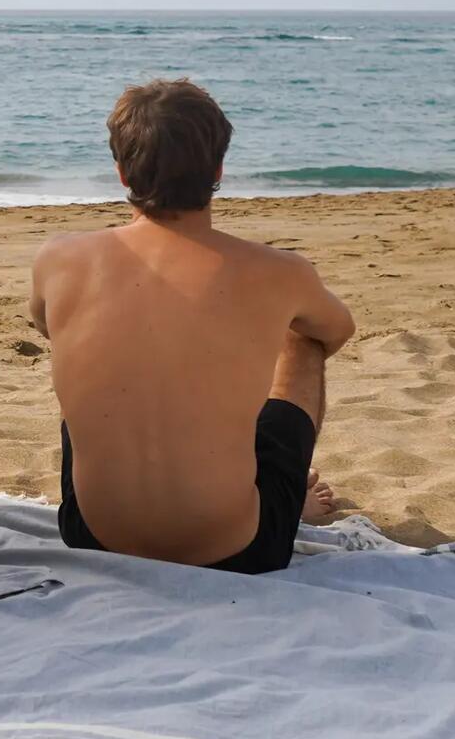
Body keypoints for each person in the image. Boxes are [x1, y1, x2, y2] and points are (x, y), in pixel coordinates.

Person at [29, 79, 355, 574]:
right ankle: (282, 503)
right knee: (301, 336)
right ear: (219, 169)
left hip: (90, 535)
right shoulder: (279, 271)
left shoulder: (58, 258)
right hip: (239, 550)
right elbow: (334, 331)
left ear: (121, 173)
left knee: (99, 356)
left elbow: (47, 324)